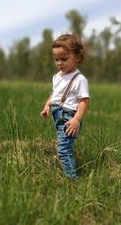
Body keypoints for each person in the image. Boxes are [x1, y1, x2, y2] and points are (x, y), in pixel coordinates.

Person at [40, 34, 89, 179]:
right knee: (65, 145)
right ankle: (70, 174)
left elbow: (84, 101)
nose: (59, 63)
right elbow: (55, 93)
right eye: (56, 59)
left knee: (64, 149)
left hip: (69, 117)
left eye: (64, 59)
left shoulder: (79, 79)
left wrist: (77, 119)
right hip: (57, 113)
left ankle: (71, 179)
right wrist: (47, 105)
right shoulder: (57, 76)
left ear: (78, 57)